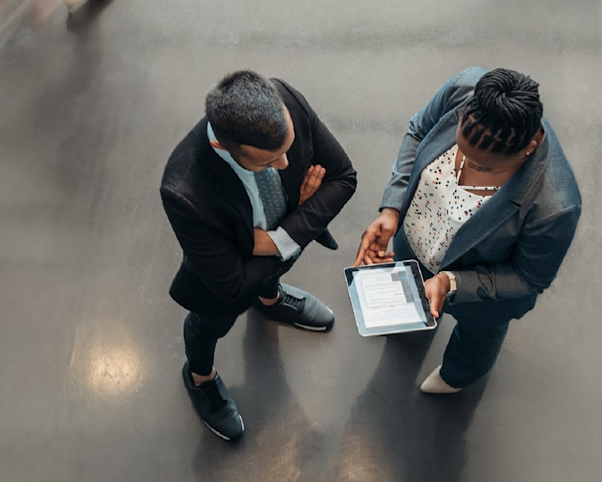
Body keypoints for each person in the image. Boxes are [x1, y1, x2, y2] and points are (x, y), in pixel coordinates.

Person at [354, 67, 581, 394]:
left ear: (528, 148)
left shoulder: (555, 206)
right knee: (411, 303)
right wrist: (392, 209)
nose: (463, 165)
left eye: (484, 167)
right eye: (459, 146)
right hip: (415, 242)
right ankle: (411, 321)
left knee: (478, 337)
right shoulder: (464, 88)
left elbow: (530, 278)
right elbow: (419, 130)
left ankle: (458, 375)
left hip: (478, 290)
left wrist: (452, 282)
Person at [160, 71, 357, 441]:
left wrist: (279, 238)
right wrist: (303, 215)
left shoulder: (286, 99)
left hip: (267, 247)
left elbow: (344, 177)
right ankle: (200, 377)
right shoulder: (183, 191)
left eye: (288, 149)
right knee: (210, 324)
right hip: (221, 284)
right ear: (223, 148)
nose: (285, 166)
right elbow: (232, 286)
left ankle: (270, 297)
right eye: (268, 162)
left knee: (269, 274)